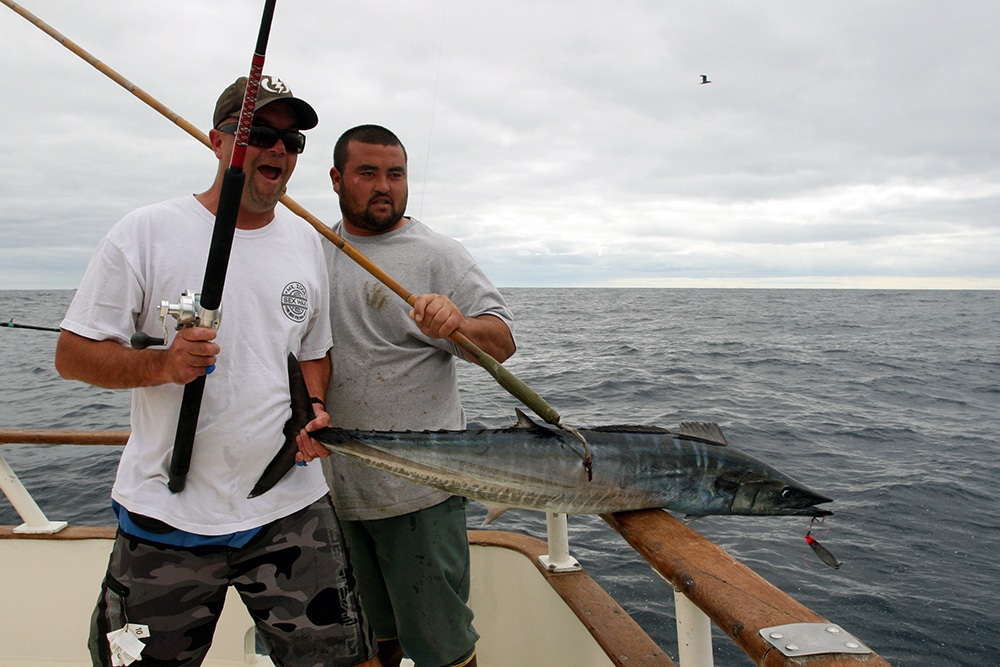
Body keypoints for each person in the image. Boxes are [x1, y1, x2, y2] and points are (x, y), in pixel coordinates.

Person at [54, 75, 378, 667]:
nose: (279, 148)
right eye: (259, 131)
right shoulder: (145, 232)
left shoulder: (306, 243)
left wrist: (314, 406)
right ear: (217, 140)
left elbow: (312, 350)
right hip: (165, 516)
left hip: (290, 510)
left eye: (293, 138)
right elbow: (73, 354)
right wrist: (162, 364)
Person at [297, 125, 516, 667]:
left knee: (442, 650)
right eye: (368, 173)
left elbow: (503, 342)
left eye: (395, 174)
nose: (384, 187)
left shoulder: (438, 254)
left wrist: (458, 322)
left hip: (421, 498)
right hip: (334, 494)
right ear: (336, 179)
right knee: (370, 646)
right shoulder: (311, 252)